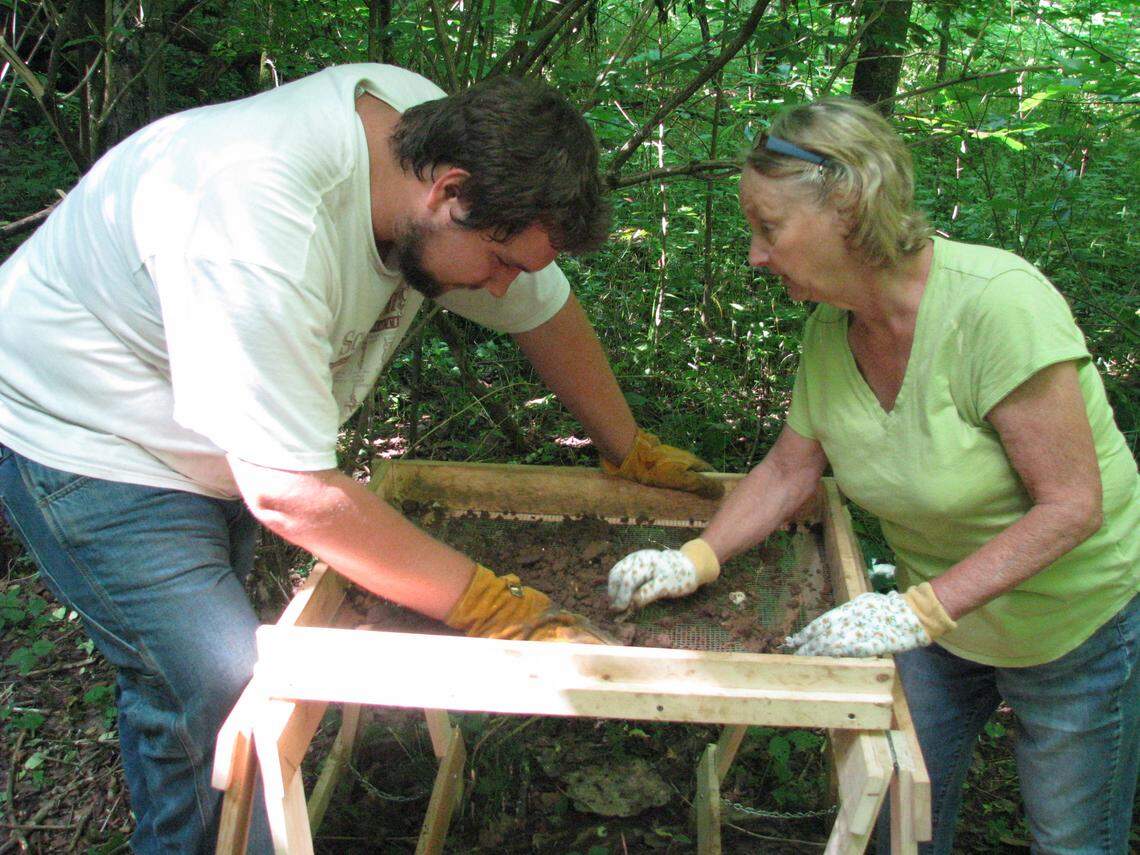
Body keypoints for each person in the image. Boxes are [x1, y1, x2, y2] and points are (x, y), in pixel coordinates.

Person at [0, 64, 721, 854]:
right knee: (217, 682)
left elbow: (541, 314)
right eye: (504, 261)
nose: (504, 283)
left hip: (205, 426)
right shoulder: (258, 217)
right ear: (449, 192)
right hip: (87, 428)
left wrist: (630, 448)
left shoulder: (431, 138)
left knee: (184, 687)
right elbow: (288, 492)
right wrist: (498, 606)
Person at [606, 98, 1138, 853]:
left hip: (1071, 627)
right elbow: (791, 469)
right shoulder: (830, 333)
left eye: (769, 227)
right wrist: (696, 558)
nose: (756, 255)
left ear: (849, 208)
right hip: (939, 622)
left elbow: (1073, 505)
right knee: (900, 821)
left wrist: (918, 612)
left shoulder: (997, 305)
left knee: (1072, 838)